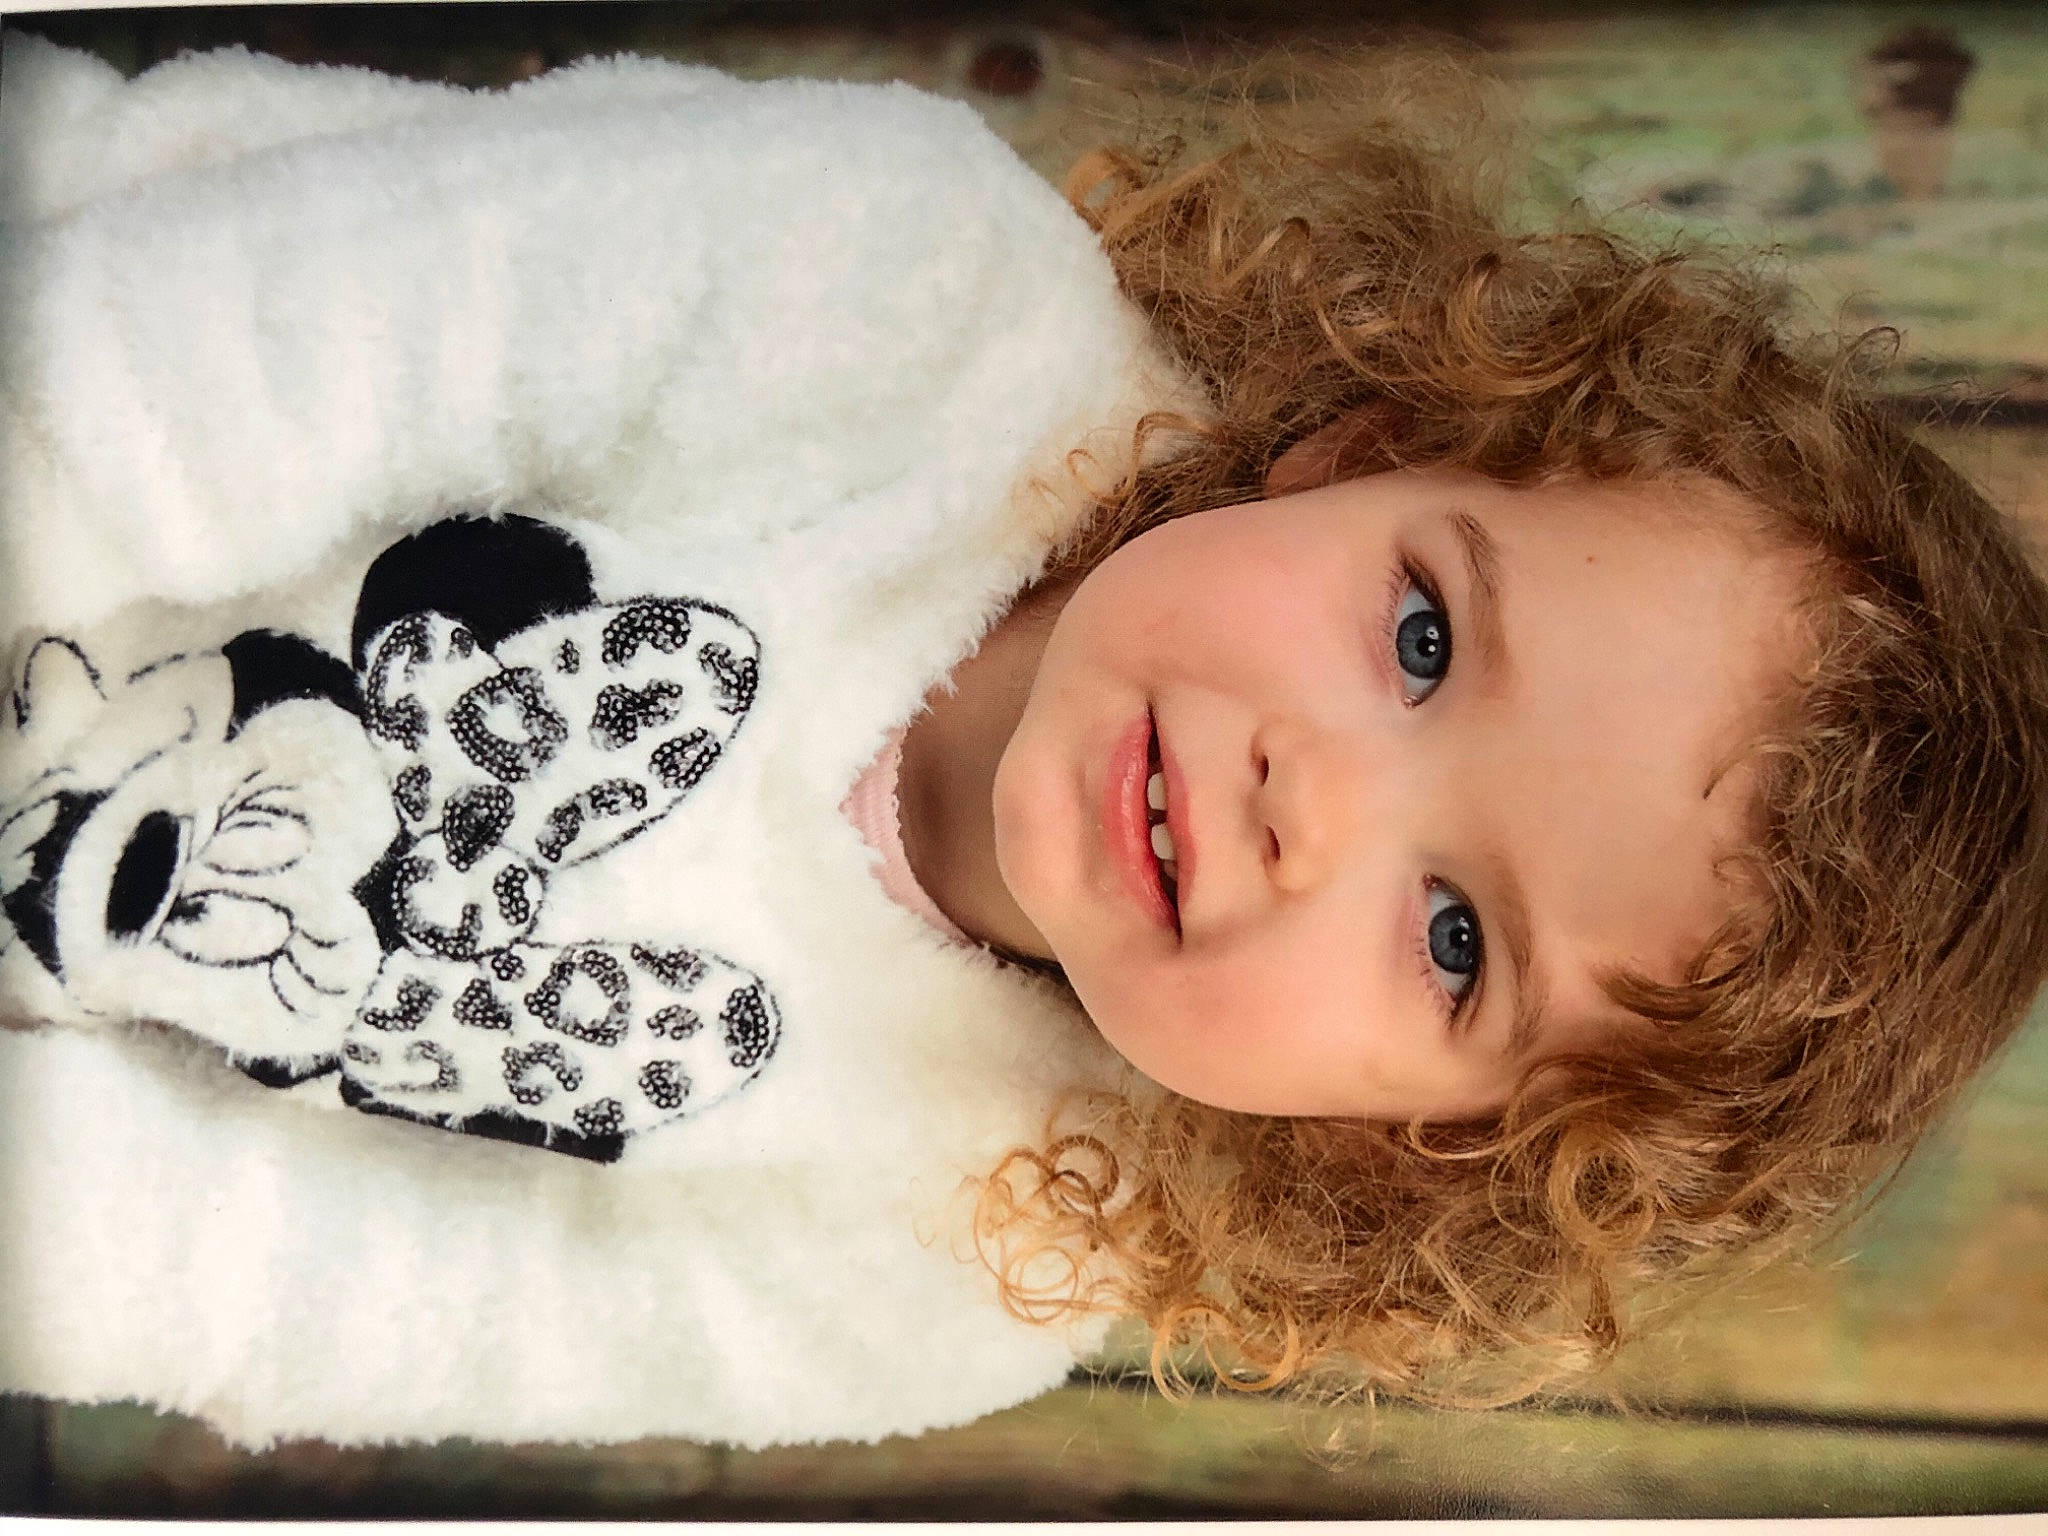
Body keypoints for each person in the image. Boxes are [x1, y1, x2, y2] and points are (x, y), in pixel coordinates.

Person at [0, 31, 2043, 1447]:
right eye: (1420, 637)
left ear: (1418, 1149)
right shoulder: (896, 290)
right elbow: (201, 370)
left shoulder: (956, 1276)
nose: (1308, 801)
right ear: (1368, 447)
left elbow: (308, 1287)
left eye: (1451, 941)